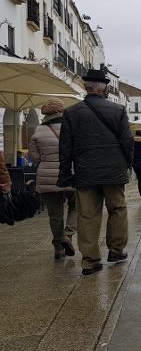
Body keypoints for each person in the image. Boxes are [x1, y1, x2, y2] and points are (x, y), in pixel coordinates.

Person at [57, 68, 134, 276]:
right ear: (104, 88)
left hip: (85, 172)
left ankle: (90, 261)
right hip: (113, 171)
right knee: (117, 209)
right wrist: (127, 164)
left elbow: (65, 147)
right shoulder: (118, 111)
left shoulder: (71, 112)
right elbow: (127, 142)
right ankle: (116, 251)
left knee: (87, 215)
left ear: (85, 87)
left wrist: (64, 174)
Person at [29, 98, 76, 260]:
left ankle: (58, 248)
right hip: (69, 173)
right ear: (62, 111)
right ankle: (68, 236)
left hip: (47, 176)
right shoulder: (71, 128)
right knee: (76, 205)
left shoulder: (38, 131)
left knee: (55, 214)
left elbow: (35, 158)